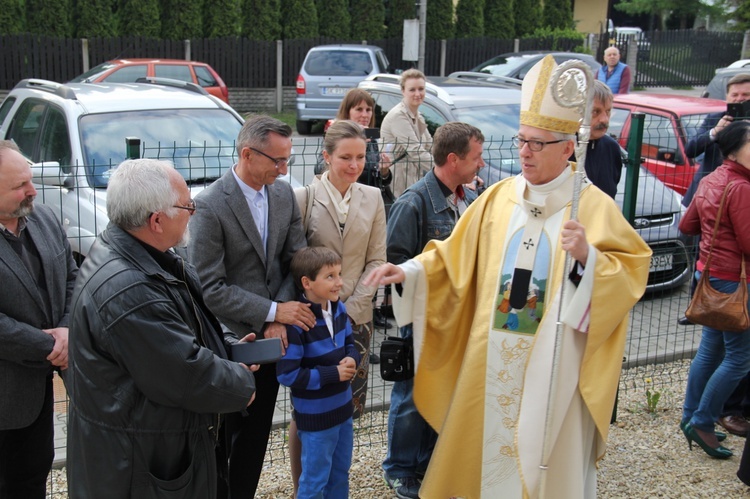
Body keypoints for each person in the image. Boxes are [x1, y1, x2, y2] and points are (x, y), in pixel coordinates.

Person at [364, 55, 651, 498]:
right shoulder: (499, 198)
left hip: (553, 363)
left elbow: (630, 271)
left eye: (538, 143)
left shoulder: (592, 208)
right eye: (522, 141)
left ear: (568, 147)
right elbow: (454, 257)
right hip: (491, 352)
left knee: (543, 462)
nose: (524, 152)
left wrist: (587, 259)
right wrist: (405, 270)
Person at [65, 159, 257, 498]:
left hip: (151, 446)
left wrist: (226, 345)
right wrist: (242, 382)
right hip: (140, 463)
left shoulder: (146, 255)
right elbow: (185, 374)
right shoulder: (129, 290)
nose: (193, 212)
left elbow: (186, 324)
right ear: (156, 220)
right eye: (187, 205)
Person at [188, 115, 316, 497]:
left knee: (255, 438)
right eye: (277, 160)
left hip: (273, 341)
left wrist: (280, 312)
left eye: (287, 159)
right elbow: (210, 287)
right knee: (224, 438)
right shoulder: (209, 206)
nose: (284, 167)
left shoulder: (283, 195)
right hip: (231, 341)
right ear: (247, 154)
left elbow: (296, 262)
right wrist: (272, 314)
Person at [381, 121, 485, 499]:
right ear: (454, 160)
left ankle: (427, 463)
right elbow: (397, 265)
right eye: (476, 157)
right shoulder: (413, 202)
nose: (482, 165)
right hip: (423, 324)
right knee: (410, 396)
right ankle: (399, 468)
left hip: (455, 323)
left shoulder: (470, 200)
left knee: (442, 392)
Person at [290, 120, 386, 494]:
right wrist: (319, 303)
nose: (354, 165)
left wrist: (348, 303)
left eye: (360, 157)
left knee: (346, 401)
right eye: (345, 157)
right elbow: (295, 261)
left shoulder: (373, 198)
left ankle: (334, 481)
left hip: (354, 316)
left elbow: (377, 259)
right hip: (312, 320)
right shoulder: (304, 198)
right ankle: (306, 483)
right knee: (309, 407)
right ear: (326, 156)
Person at [0, 141, 78, 498]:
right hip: (6, 390)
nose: (32, 191)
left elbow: (73, 278)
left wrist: (66, 328)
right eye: (19, 186)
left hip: (38, 393)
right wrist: (51, 345)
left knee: (32, 479)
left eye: (29, 180)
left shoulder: (43, 218)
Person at [679, 120, 750, 460]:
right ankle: (703, 421)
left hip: (708, 277)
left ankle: (690, 417)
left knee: (710, 351)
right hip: (734, 282)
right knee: (739, 358)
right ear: (736, 148)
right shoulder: (741, 187)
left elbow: (687, 224)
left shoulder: (712, 178)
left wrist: (713, 237)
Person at [277, 246, 361, 499]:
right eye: (330, 276)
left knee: (340, 474)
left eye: (339, 274)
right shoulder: (297, 325)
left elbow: (350, 344)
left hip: (343, 412)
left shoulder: (340, 309)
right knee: (314, 482)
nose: (339, 283)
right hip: (316, 421)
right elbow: (288, 375)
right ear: (307, 282)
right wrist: (333, 374)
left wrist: (352, 358)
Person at [381, 68, 434, 198]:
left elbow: (430, 146)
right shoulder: (398, 116)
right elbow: (415, 151)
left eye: (421, 89)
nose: (417, 93)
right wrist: (446, 169)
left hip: (414, 178)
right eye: (412, 90)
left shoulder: (418, 116)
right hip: (398, 179)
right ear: (403, 91)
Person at [574, 80, 622, 199]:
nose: (604, 120)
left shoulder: (611, 148)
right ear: (576, 111)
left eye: (608, 111)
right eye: (595, 111)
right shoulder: (561, 149)